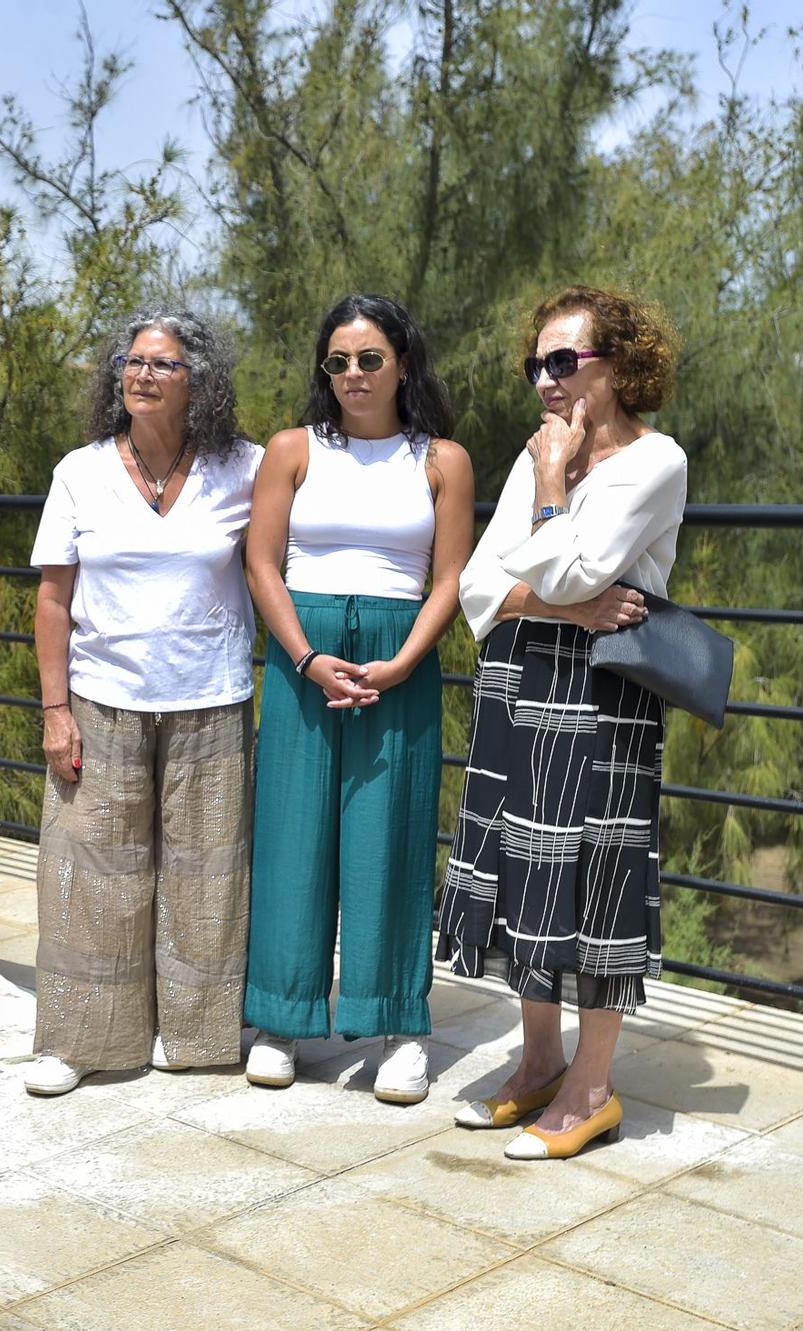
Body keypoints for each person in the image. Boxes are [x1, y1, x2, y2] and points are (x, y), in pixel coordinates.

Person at [438, 284, 686, 1160]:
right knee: (518, 870)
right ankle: (539, 1058)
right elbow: (477, 587)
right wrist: (567, 610)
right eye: (537, 363)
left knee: (600, 878)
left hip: (604, 698)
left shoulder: (656, 463)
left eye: (564, 362)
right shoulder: (532, 456)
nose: (546, 380)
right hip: (517, 684)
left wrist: (551, 492)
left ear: (616, 366)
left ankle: (593, 1087)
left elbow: (576, 570)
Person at [241, 294, 474, 1103]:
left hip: (398, 660)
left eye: (369, 358)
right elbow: (262, 564)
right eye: (337, 361)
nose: (352, 374)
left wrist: (407, 660)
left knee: (390, 839)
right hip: (303, 656)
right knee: (291, 835)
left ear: (403, 362)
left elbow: (450, 579)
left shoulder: (442, 459)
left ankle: (398, 1025)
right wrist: (304, 657)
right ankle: (280, 1017)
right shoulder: (293, 450)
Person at [26, 309, 263, 1096]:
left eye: (162, 363)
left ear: (200, 380)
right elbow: (53, 599)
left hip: (213, 699)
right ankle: (83, 1039)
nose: (142, 374)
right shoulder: (79, 471)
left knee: (208, 877)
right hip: (101, 697)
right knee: (91, 867)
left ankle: (197, 1036)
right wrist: (54, 710)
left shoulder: (245, 468)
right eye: (131, 361)